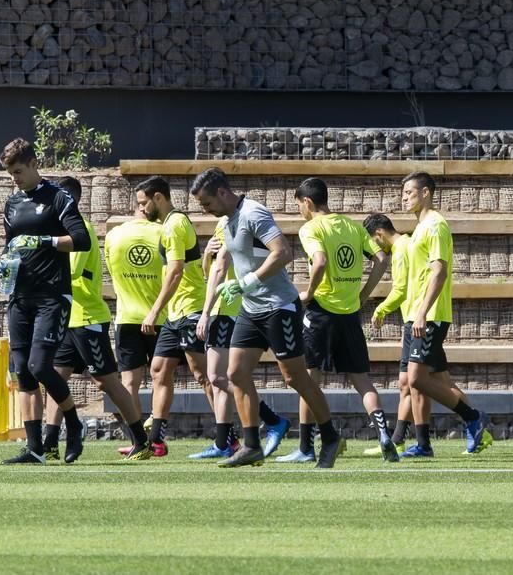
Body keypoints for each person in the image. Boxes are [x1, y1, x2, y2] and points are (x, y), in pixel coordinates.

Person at [191, 167, 343, 468]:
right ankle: (251, 445)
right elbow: (223, 264)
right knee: (234, 374)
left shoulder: (253, 213)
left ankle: (330, 437)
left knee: (295, 377)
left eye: (207, 204)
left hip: (278, 307)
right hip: (251, 309)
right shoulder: (227, 221)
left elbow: (282, 252)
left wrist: (248, 282)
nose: (205, 211)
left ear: (222, 192)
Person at [276, 178, 398, 463]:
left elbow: (319, 261)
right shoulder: (353, 227)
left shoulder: (311, 228)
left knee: (309, 379)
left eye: (299, 206)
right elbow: (381, 258)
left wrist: (309, 293)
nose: (300, 213)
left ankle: (306, 447)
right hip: (349, 313)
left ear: (307, 202)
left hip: (321, 313)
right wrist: (364, 295)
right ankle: (383, 435)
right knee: (362, 380)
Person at [42, 177, 152, 461]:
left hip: (87, 317)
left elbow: (70, 273)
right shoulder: (60, 229)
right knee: (56, 377)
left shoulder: (81, 230)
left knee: (107, 382)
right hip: (68, 319)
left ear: (68, 199)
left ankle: (141, 440)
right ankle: (51, 442)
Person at [0, 138, 91, 465]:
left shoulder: (58, 197)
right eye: (10, 173)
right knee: (22, 371)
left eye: (18, 171)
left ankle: (74, 424)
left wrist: (45, 240)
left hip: (52, 295)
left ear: (34, 163)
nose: (14, 178)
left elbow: (81, 240)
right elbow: (11, 245)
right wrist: (3, 261)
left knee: (40, 366)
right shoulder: (11, 204)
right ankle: (35, 448)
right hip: (20, 296)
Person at [400, 171, 492, 457]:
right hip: (414, 314)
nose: (404, 199)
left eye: (409, 194)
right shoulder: (419, 227)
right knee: (416, 382)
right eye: (402, 194)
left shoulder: (436, 225)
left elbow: (439, 271)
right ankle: (423, 444)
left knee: (416, 379)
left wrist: (422, 313)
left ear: (426, 192)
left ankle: (473, 417)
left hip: (429, 315)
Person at [135, 176, 213, 456]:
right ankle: (156, 440)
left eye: (144, 203)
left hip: (190, 309)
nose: (142, 210)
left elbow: (176, 271)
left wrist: (154, 310)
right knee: (158, 368)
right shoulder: (168, 225)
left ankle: (229, 438)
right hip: (176, 313)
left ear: (159, 197)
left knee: (204, 375)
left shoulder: (175, 225)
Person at [365, 213, 416, 456]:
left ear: (379, 234)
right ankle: (399, 439)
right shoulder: (407, 245)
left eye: (375, 242)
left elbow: (401, 289)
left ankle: (474, 420)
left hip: (415, 321)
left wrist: (381, 309)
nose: (377, 247)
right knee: (407, 383)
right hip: (412, 319)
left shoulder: (401, 250)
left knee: (425, 382)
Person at [104, 207, 164, 413]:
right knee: (161, 381)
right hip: (160, 317)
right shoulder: (165, 232)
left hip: (127, 316)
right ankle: (157, 436)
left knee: (129, 383)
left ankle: (137, 439)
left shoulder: (114, 235)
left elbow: (113, 272)